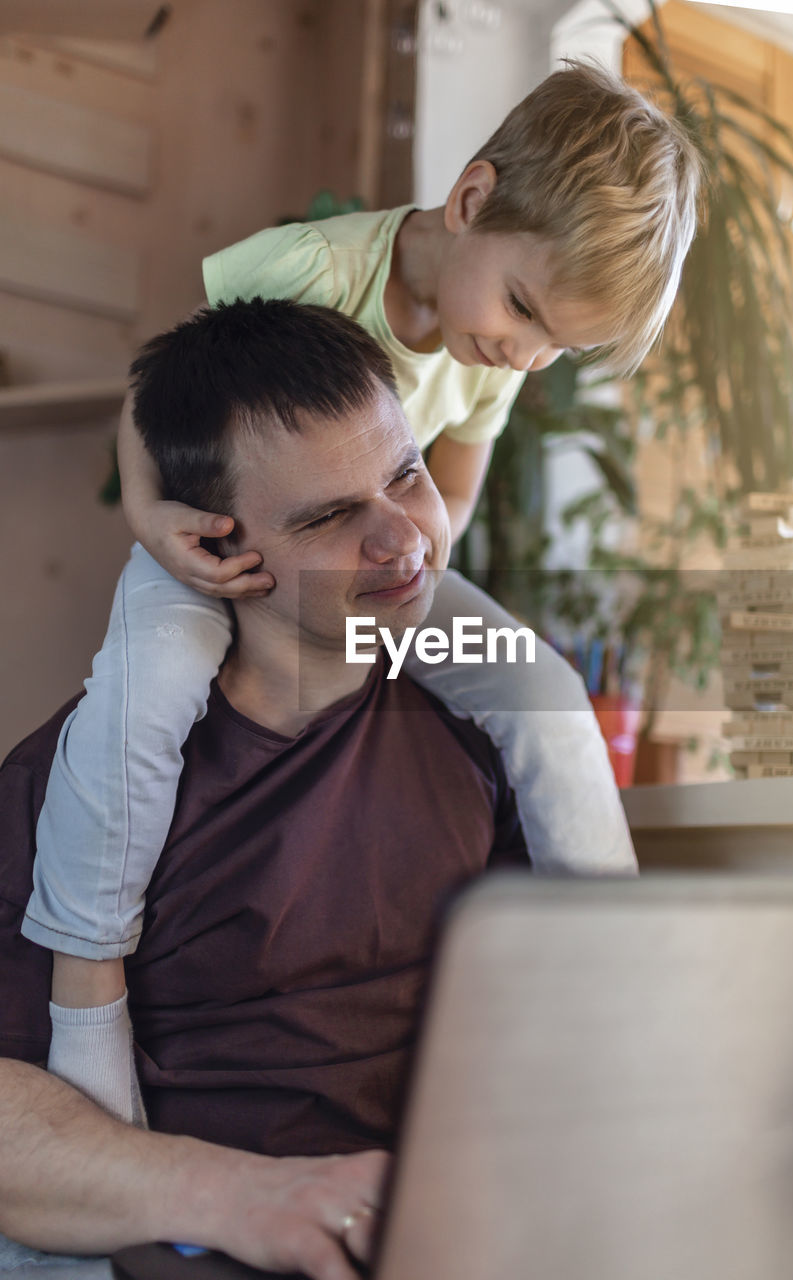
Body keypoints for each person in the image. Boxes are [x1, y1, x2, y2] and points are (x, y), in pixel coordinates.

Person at [24, 61, 702, 1121]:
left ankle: (604, 966)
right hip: (209, 551)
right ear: (471, 200)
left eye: (552, 345)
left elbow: (458, 481)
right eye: (522, 307)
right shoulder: (313, 266)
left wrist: (415, 583)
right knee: (141, 697)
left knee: (544, 696)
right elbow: (169, 391)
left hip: (388, 579)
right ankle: (84, 992)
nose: (522, 352)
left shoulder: (495, 352)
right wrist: (154, 521)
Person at [0, 298, 530, 1275]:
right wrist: (244, 1196)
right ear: (210, 543)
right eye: (330, 515)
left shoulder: (480, 737)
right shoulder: (72, 788)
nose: (402, 540)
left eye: (406, 474)